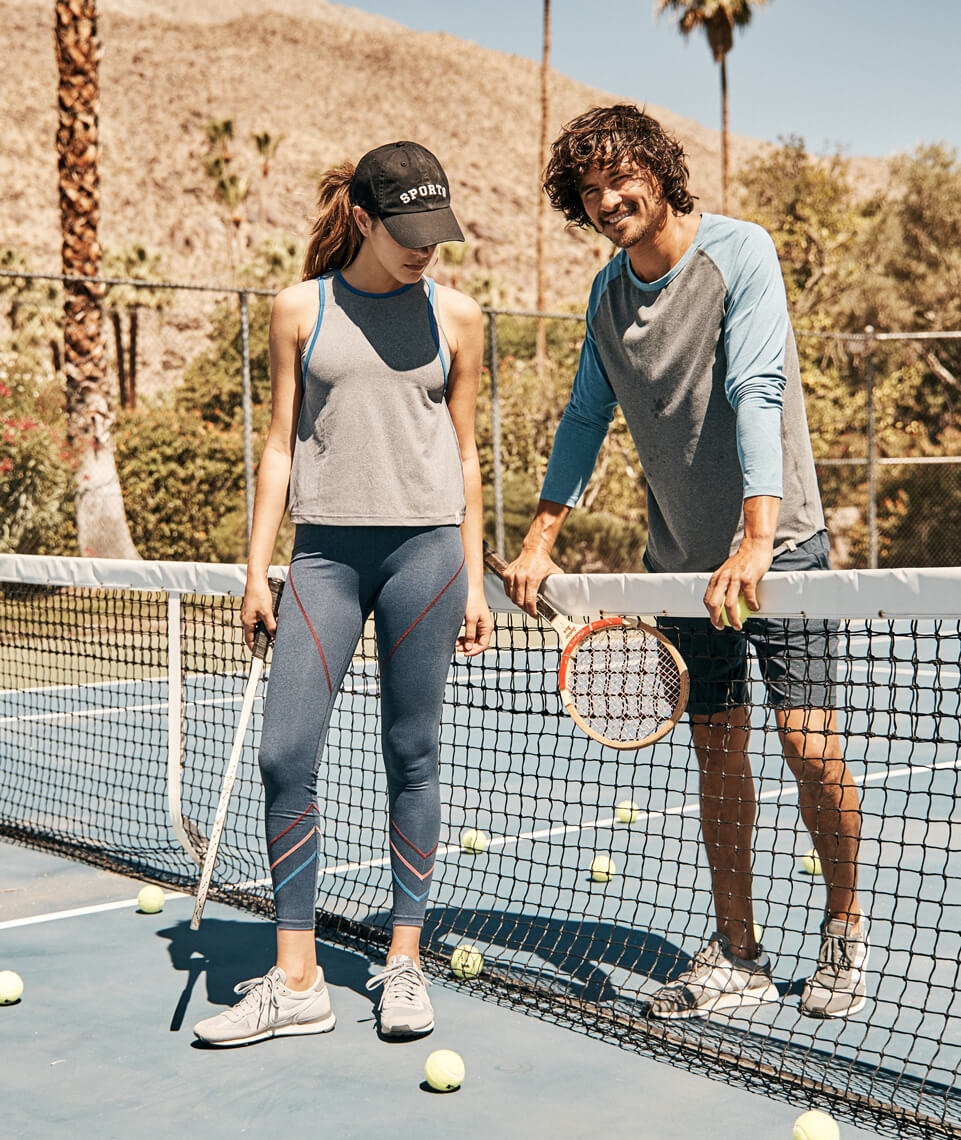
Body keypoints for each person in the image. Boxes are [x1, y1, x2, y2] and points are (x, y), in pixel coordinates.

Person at [503, 105, 867, 1021]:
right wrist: (540, 538)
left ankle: (844, 926)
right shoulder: (604, 295)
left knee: (805, 744)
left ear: (659, 171)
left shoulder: (741, 252)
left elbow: (755, 387)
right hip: (678, 568)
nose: (606, 198)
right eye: (587, 191)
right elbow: (586, 418)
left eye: (618, 178)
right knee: (717, 751)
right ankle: (737, 952)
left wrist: (754, 538)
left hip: (781, 552)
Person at [194, 141, 493, 1046]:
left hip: (427, 558)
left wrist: (475, 579)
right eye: (406, 231)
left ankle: (402, 963)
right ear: (363, 218)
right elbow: (281, 445)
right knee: (285, 756)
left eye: (435, 233)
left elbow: (468, 454)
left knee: (412, 754)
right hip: (323, 559)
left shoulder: (461, 317)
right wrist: (257, 568)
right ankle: (298, 981)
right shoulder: (300, 309)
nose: (423, 249)